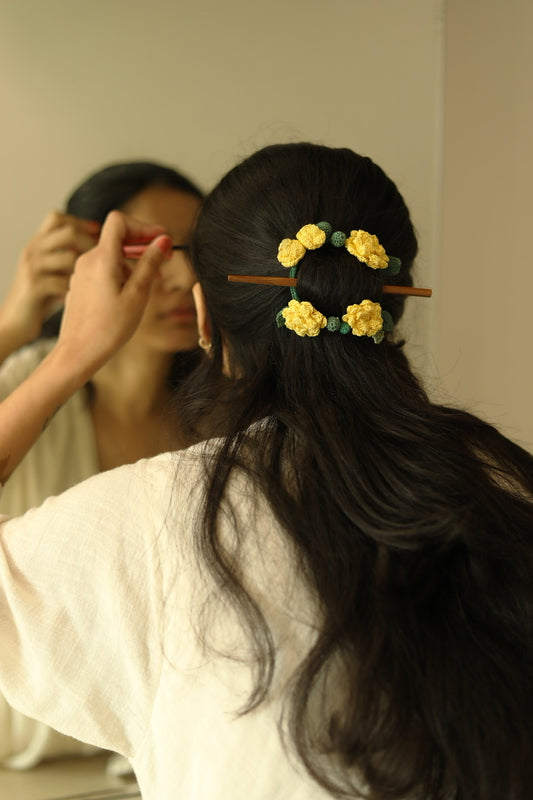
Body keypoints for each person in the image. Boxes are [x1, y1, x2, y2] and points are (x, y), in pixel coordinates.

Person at [0, 143, 532, 800]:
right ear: (385, 303)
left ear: (203, 318)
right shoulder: (500, 484)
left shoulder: (158, 511)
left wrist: (66, 356)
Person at [0, 161, 203, 769]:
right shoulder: (30, 383)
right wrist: (19, 324)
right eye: (148, 250)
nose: (181, 277)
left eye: (196, 250)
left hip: (157, 766)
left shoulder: (224, 412)